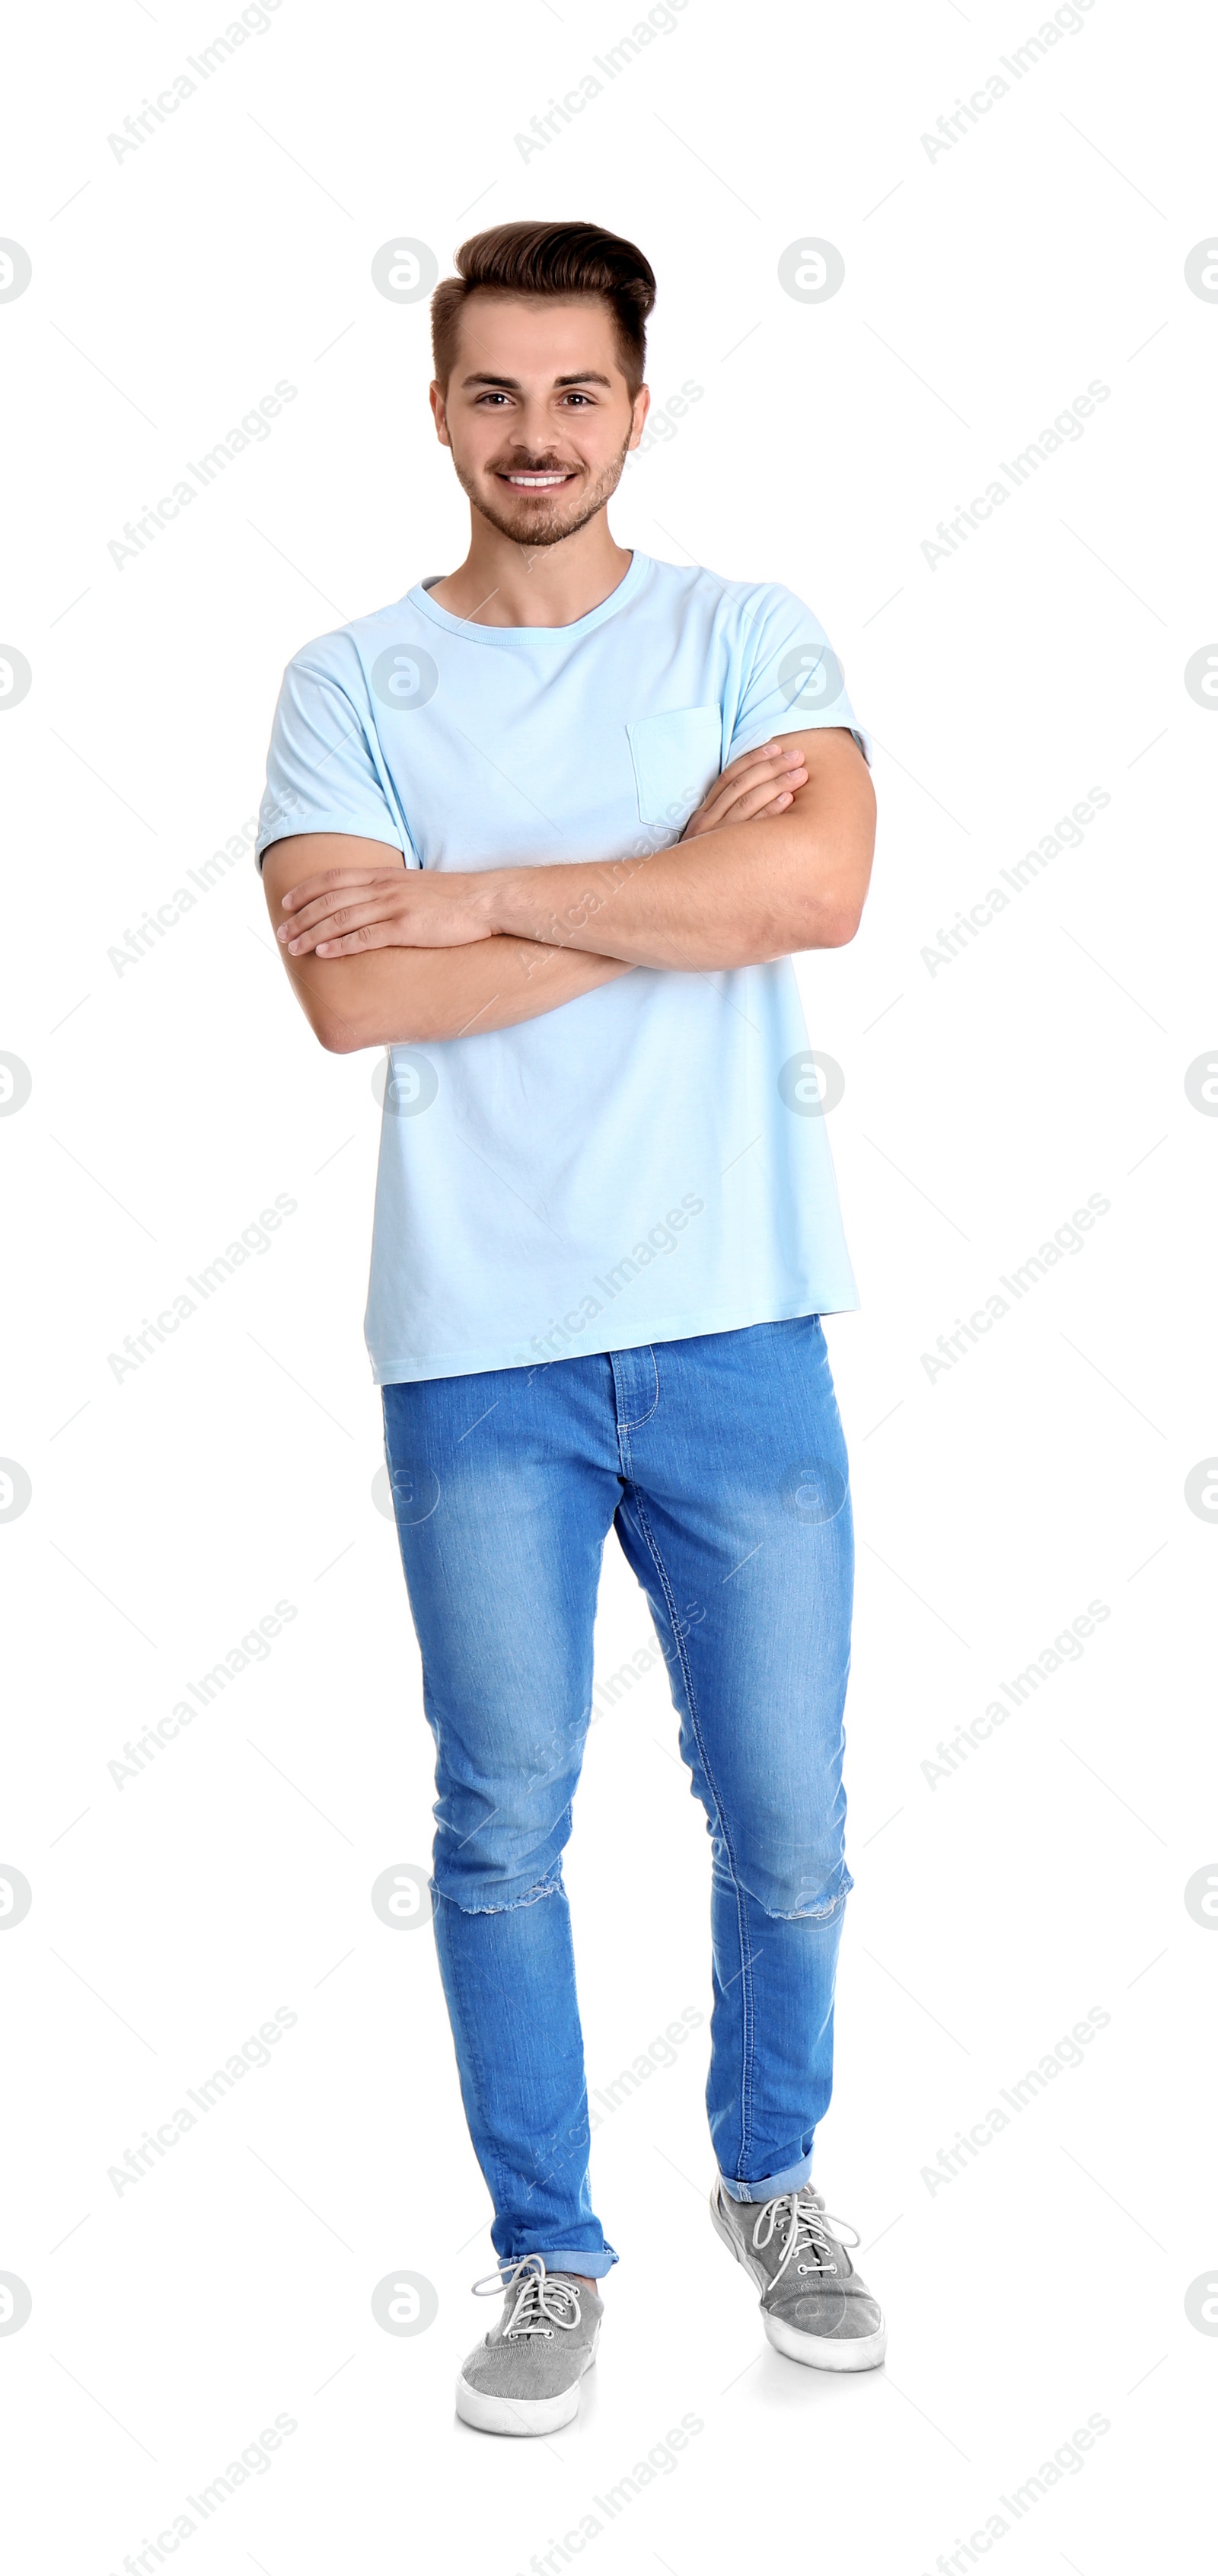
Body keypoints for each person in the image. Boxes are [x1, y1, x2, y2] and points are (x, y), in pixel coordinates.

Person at [257, 219, 882, 2437]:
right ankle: (546, 2252)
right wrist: (656, 898)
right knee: (503, 1822)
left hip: (738, 1330)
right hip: (480, 1349)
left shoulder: (742, 635)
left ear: (639, 401)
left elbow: (808, 891)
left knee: (786, 1814)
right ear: (440, 410)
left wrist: (487, 888)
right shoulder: (349, 681)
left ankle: (774, 2173)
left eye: (577, 394)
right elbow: (352, 994)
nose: (538, 436)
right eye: (496, 395)